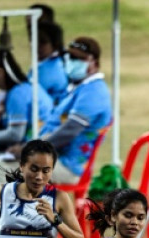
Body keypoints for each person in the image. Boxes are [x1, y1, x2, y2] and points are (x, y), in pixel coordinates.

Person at [40, 36, 111, 185]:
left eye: (78, 58)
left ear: (94, 62)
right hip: (56, 157)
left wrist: (35, 149)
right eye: (69, 56)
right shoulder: (79, 88)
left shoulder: (94, 92)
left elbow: (70, 130)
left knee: (3, 168)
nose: (71, 61)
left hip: (69, 166)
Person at [0, 48, 53, 161]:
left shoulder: (17, 94)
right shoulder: (28, 85)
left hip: (33, 147)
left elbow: (15, 135)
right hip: (41, 140)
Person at [28, 18, 68, 105]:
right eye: (33, 40)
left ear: (54, 44)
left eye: (43, 42)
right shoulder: (42, 64)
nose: (36, 45)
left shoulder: (52, 69)